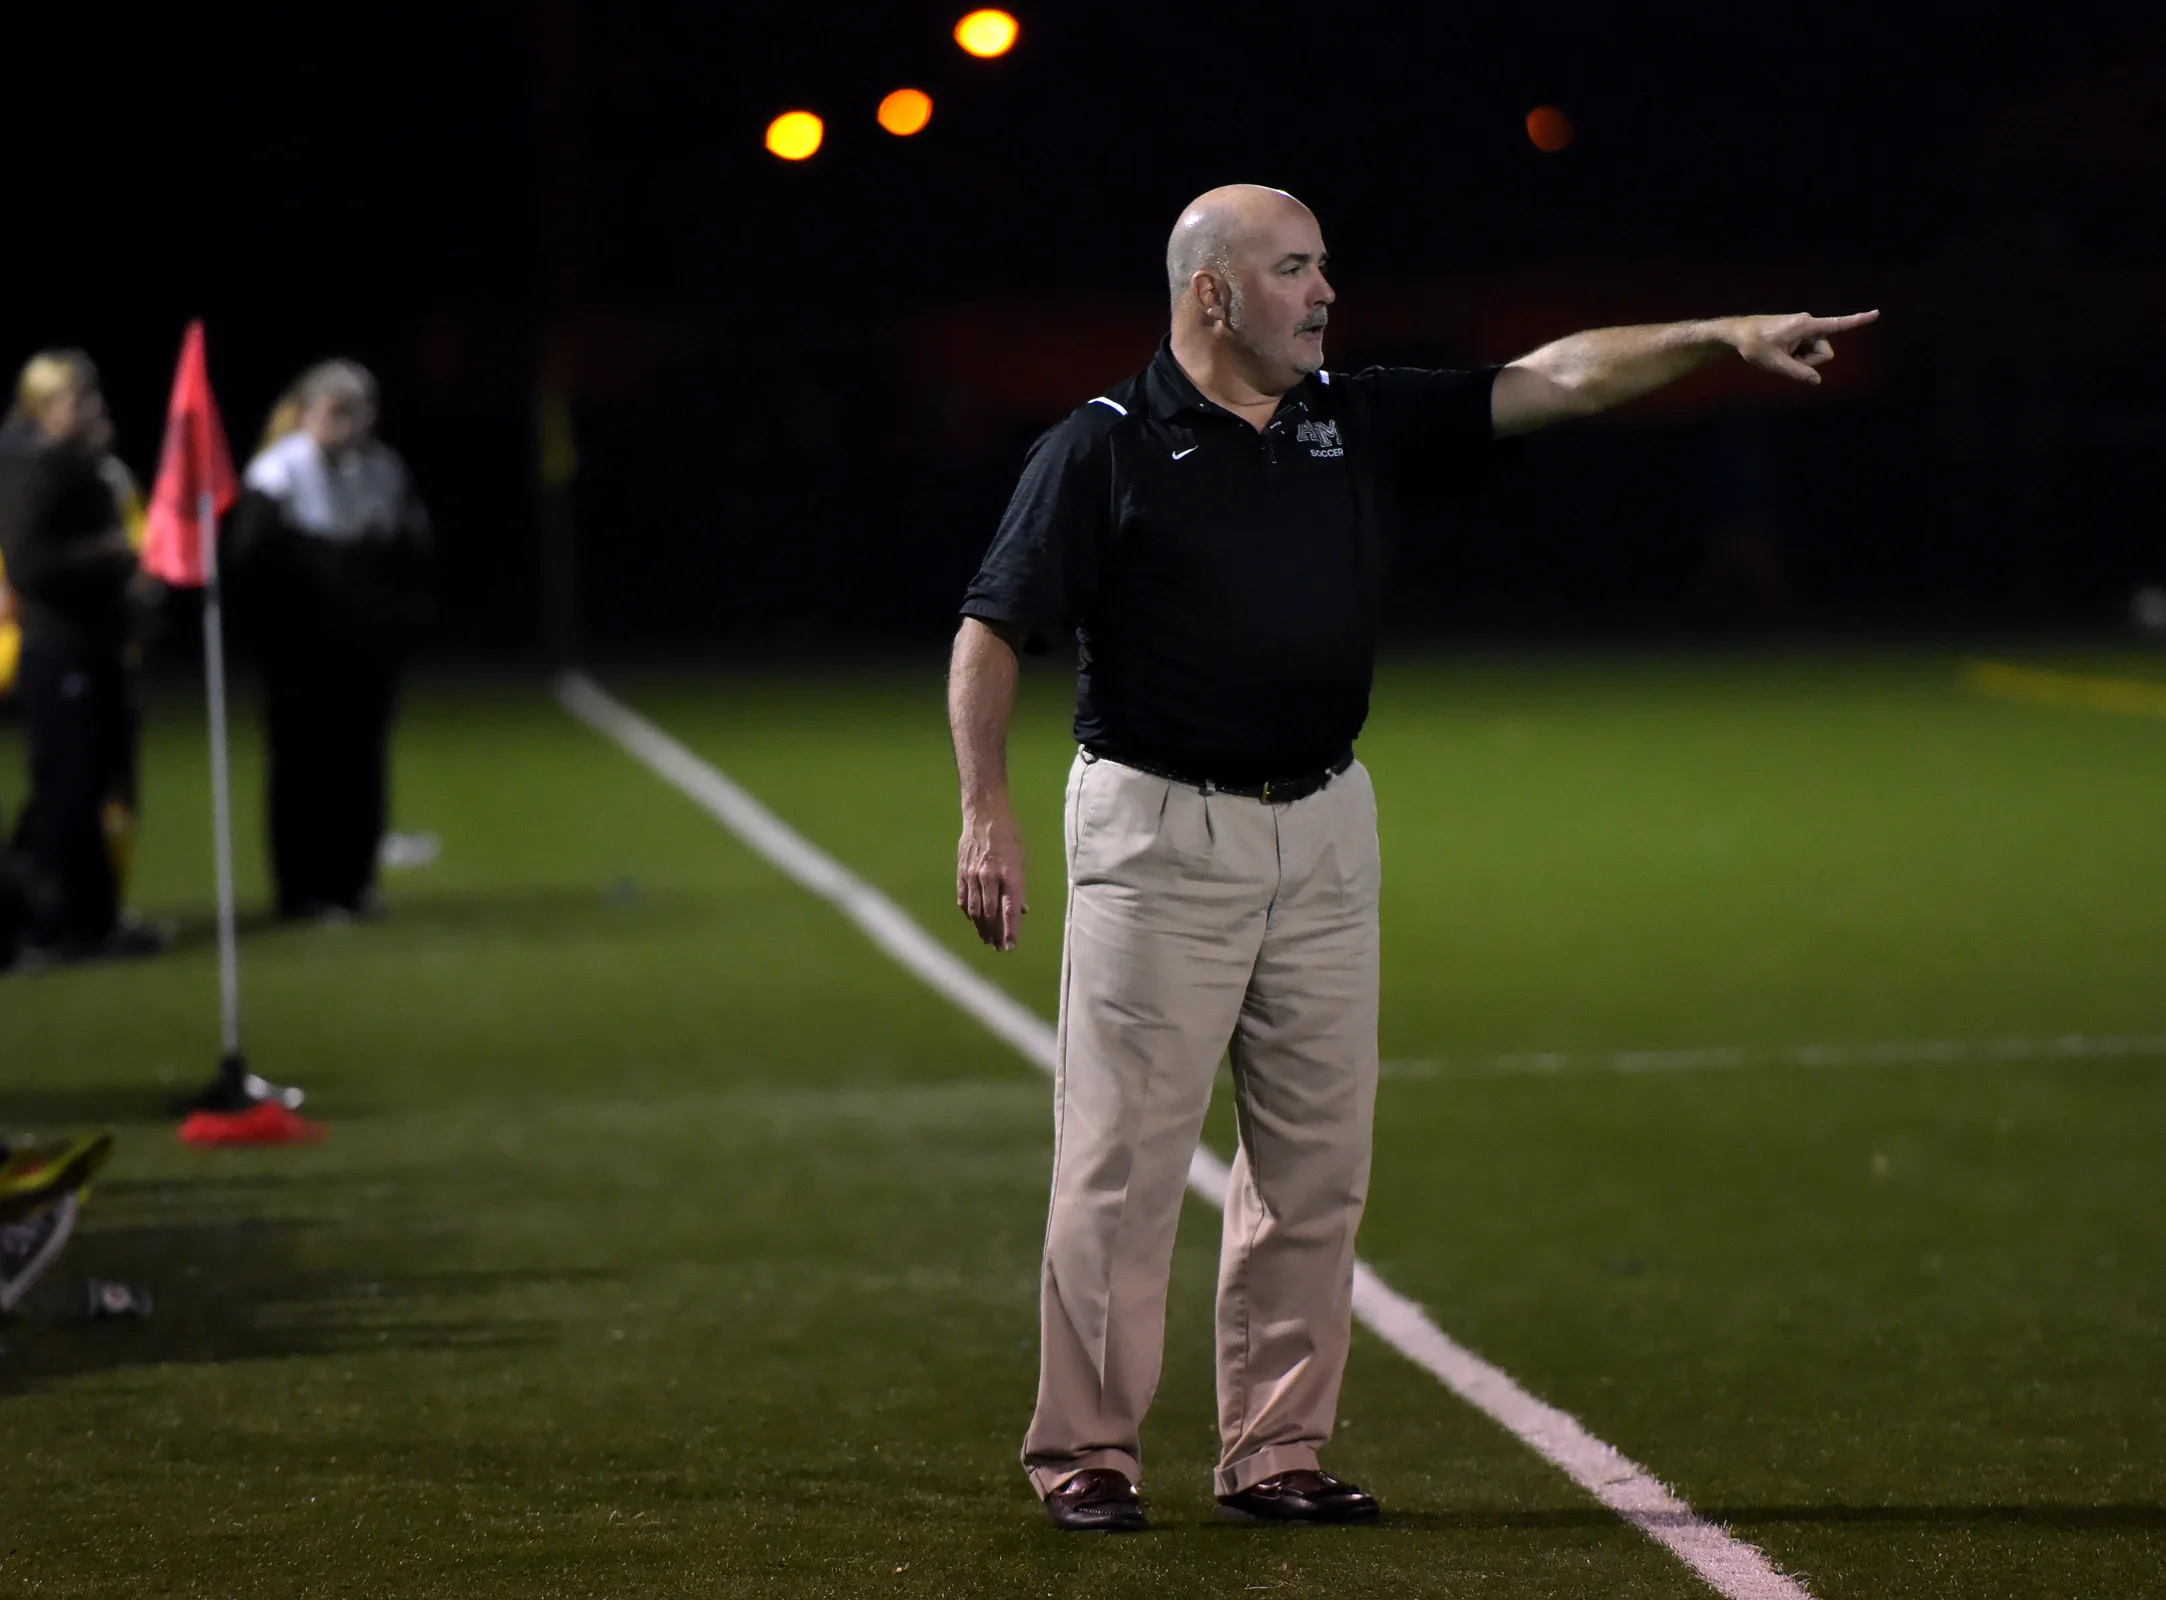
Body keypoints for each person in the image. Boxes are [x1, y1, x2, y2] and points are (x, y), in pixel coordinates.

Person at [949, 184, 1876, 1532]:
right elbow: (990, 629)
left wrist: (1718, 334)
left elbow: (1556, 378)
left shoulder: (1352, 416)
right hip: (1161, 834)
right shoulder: (1103, 445)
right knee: (1123, 1168)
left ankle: (1275, 1451)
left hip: (1327, 823)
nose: (1325, 292)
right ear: (1211, 293)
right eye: (1293, 268)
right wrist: (986, 808)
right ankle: (1087, 1450)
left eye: (1323, 265)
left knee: (1315, 1166)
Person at [226, 360, 430, 921]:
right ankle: (302, 891)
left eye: (360, 411)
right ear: (307, 413)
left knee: (360, 764)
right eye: (337, 411)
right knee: (302, 769)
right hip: (301, 653)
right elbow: (251, 560)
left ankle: (354, 881)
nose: (350, 423)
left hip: (364, 652)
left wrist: (397, 625)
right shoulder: (278, 473)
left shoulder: (382, 469)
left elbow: (409, 552)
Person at [0, 351, 161, 961]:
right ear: (41, 406)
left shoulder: (81, 462)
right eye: (78, 399)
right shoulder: (31, 465)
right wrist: (110, 552)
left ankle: (95, 920)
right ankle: (50, 922)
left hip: (95, 645)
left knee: (97, 787)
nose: (92, 408)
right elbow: (28, 563)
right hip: (57, 646)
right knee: (66, 792)